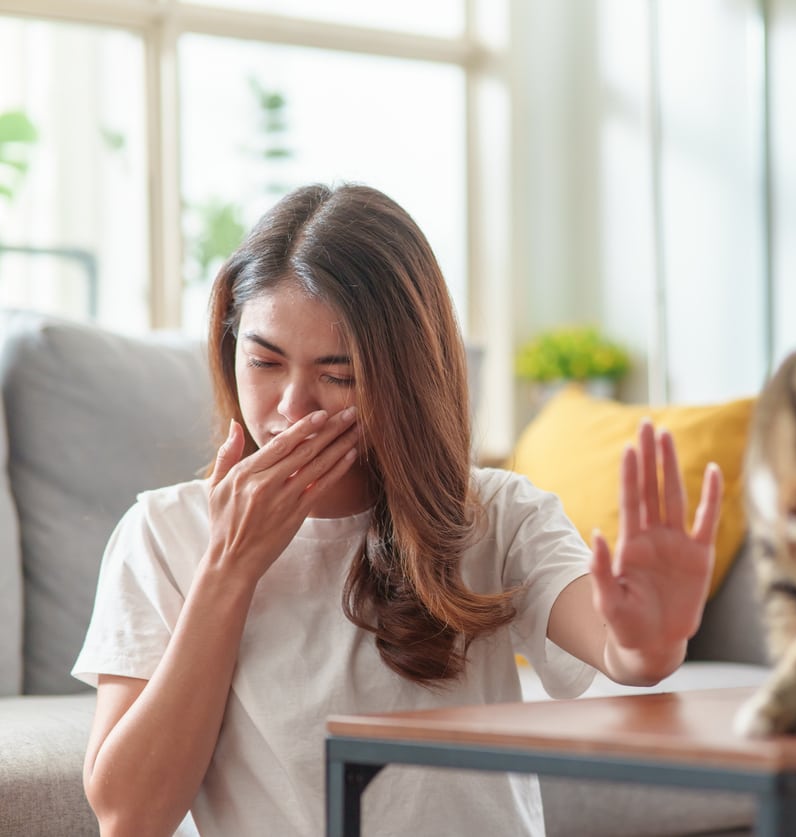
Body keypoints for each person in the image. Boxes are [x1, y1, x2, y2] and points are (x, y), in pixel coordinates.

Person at [72, 183, 723, 837]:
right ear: (228, 347)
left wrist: (652, 634)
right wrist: (228, 567)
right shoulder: (161, 533)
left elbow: (623, 651)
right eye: (264, 360)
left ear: (407, 375)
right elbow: (130, 817)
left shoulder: (497, 514)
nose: (293, 408)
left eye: (340, 374)